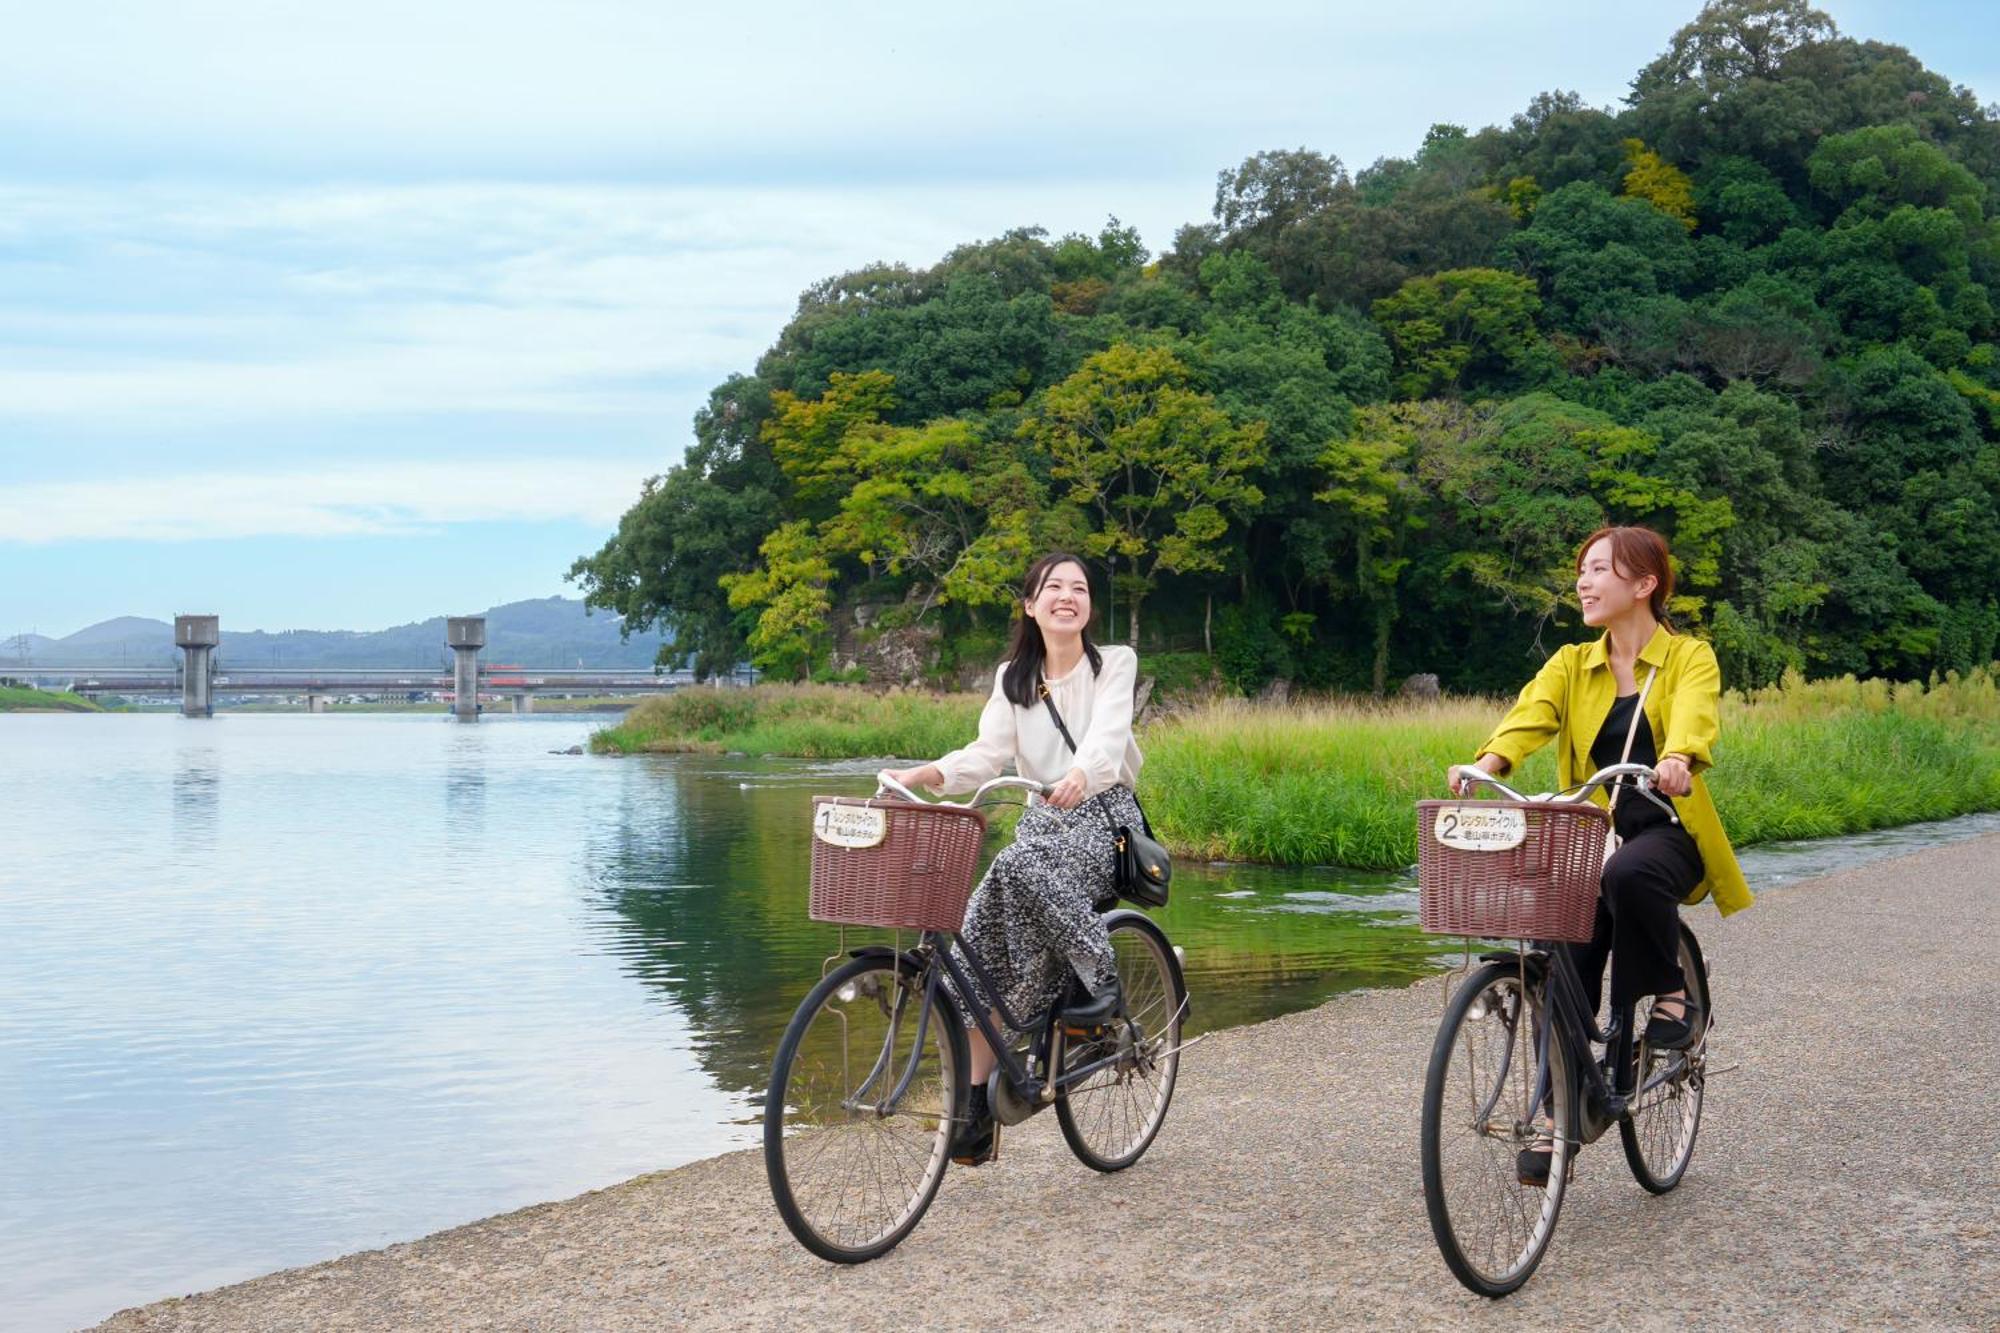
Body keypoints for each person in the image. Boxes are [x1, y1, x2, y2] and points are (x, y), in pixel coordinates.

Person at [1449, 525, 1753, 1186]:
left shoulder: (1688, 658)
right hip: (1593, 829)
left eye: (1598, 569)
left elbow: (1697, 714)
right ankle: (1564, 1114)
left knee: (1629, 872)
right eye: (1581, 570)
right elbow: (1529, 714)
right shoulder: (1569, 664)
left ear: (1643, 584)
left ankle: (1673, 998)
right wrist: (1489, 762)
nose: (1583, 582)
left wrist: (1677, 757)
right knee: (1559, 952)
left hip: (1665, 827)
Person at [881, 551, 1144, 1166]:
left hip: (1105, 820)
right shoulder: (1013, 678)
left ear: (1088, 608)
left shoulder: (1115, 664)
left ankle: (1100, 982)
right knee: (975, 939)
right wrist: (927, 773)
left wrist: (1083, 773)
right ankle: (975, 1109)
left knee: (1016, 869)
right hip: (1042, 820)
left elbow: (1109, 736)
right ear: (1031, 604)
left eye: (1079, 589)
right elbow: (986, 754)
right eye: (1053, 587)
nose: (1067, 596)